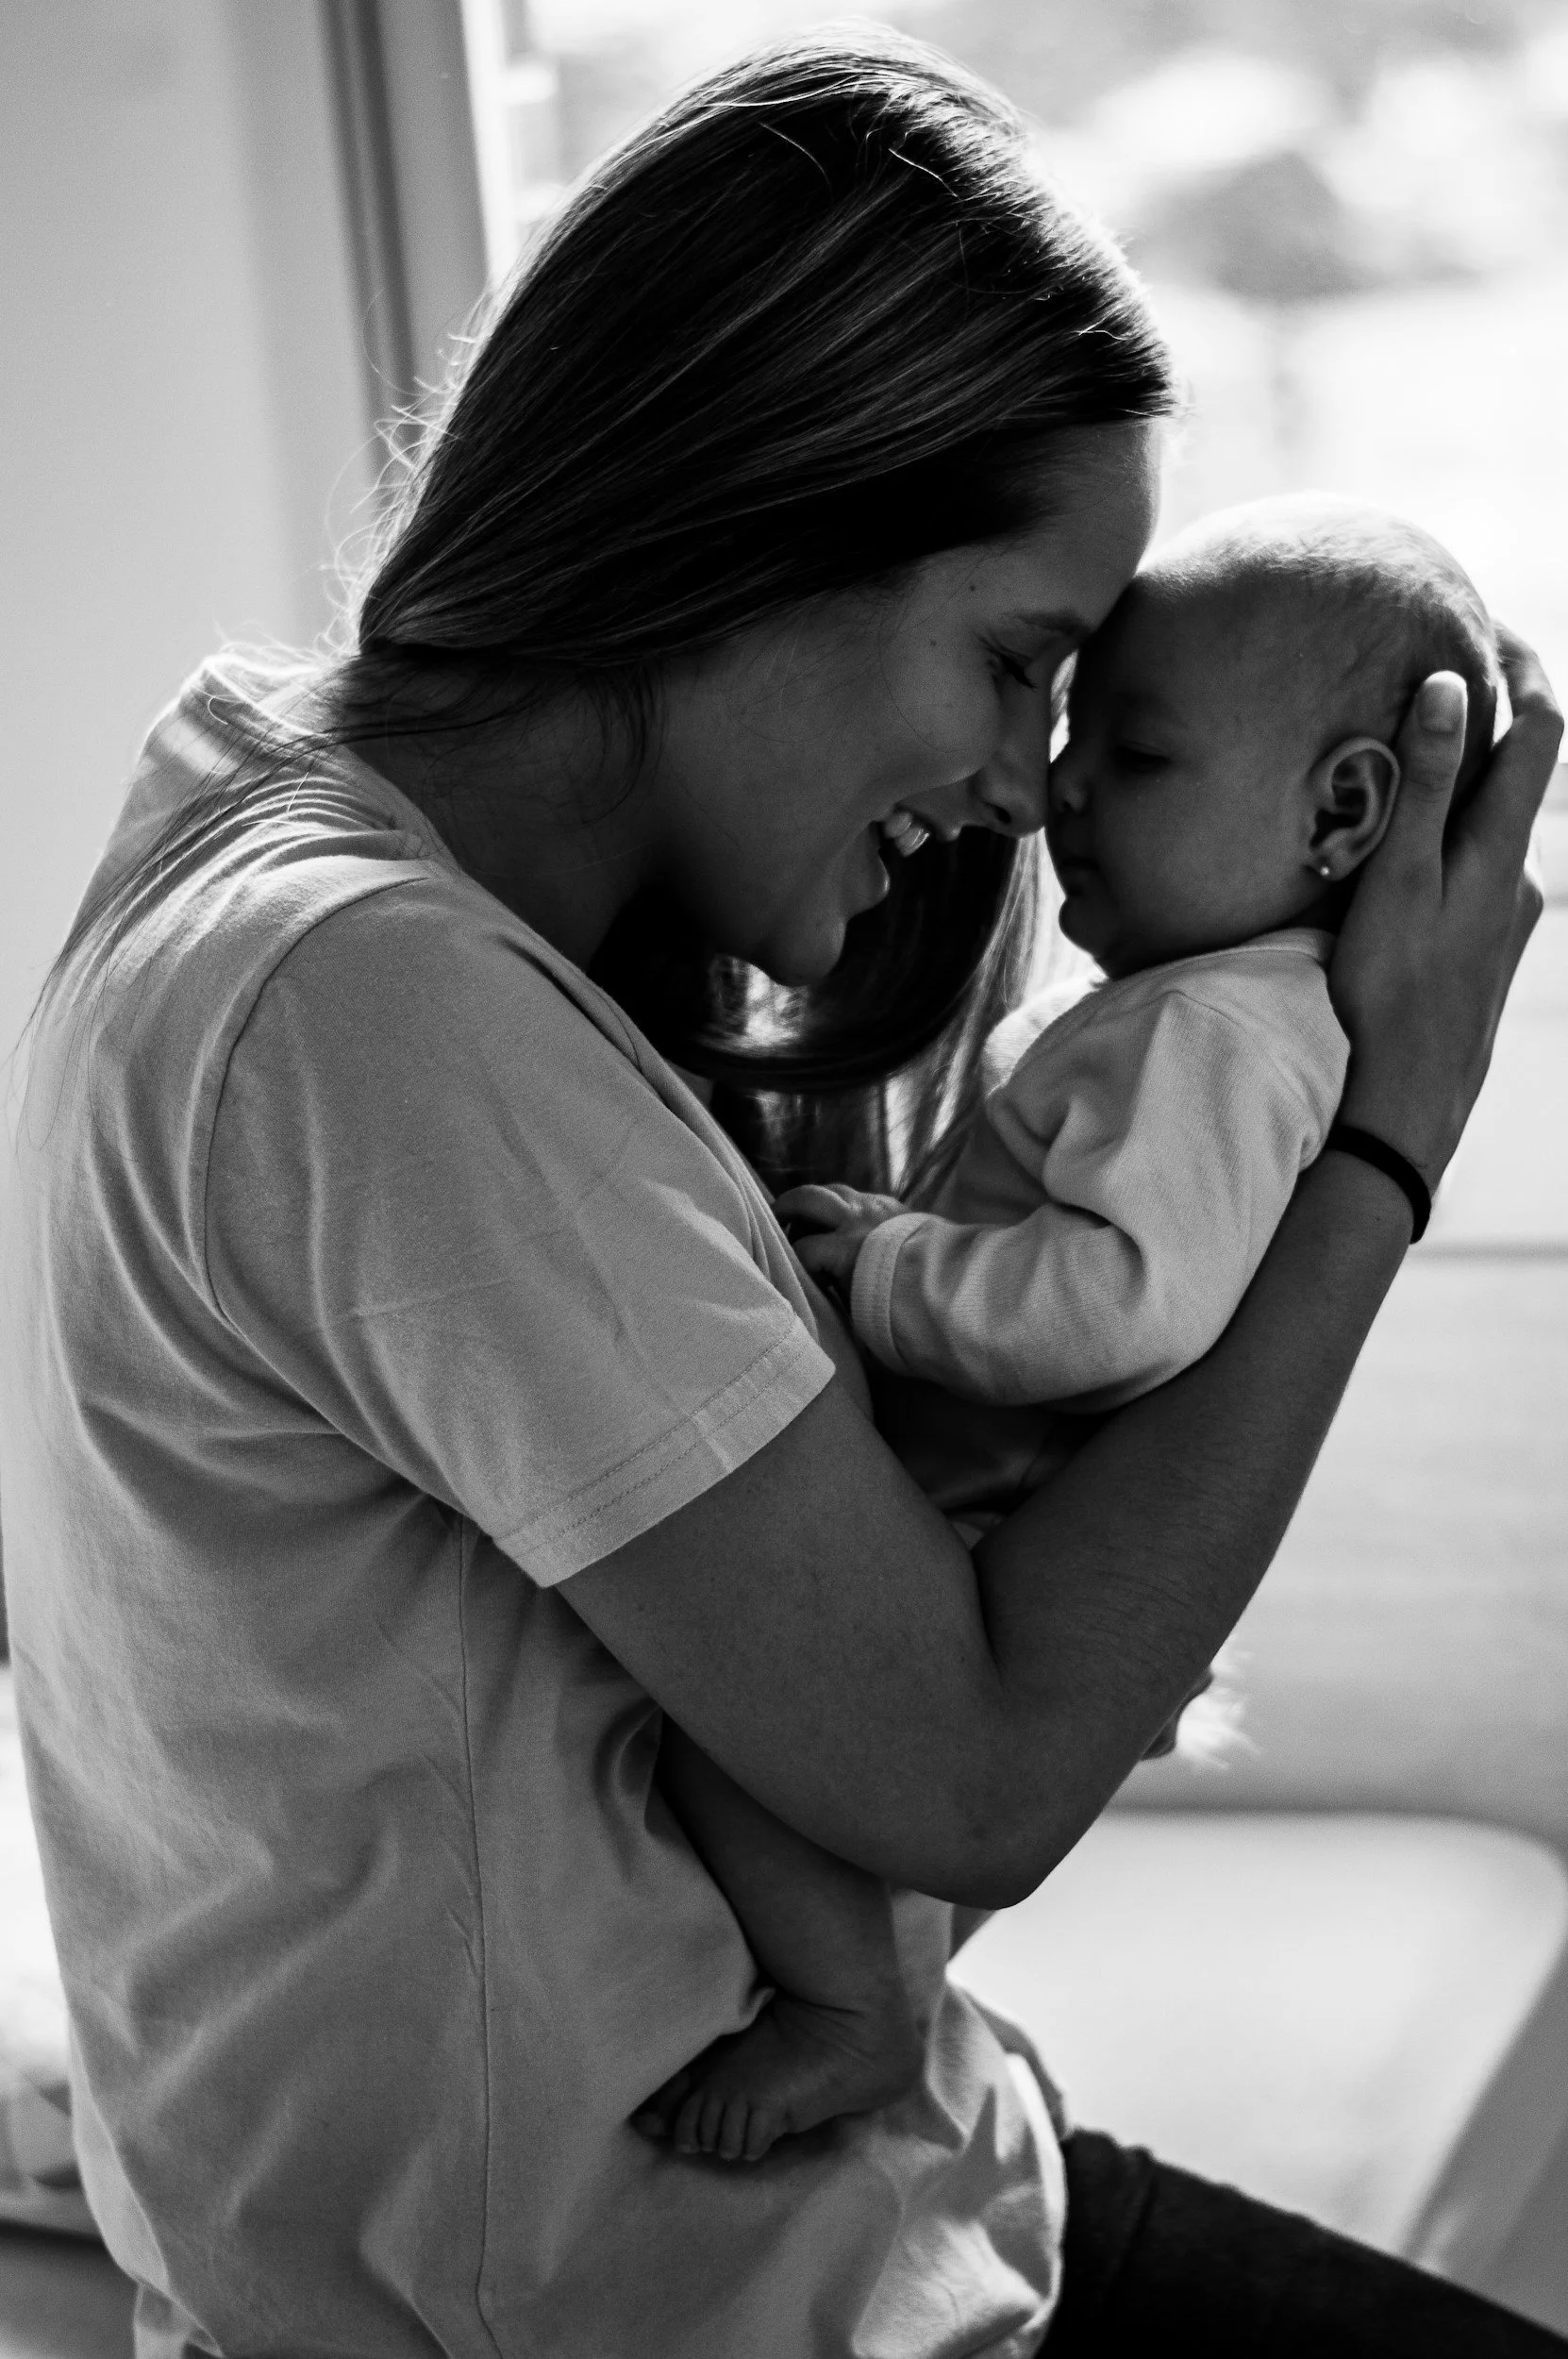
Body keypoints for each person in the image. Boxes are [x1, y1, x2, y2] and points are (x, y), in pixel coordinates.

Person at [0, 34, 1560, 2359]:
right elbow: (970, 1774)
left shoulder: (262, 812)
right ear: (767, 519)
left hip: (903, 2204)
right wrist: (1386, 1141)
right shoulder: (377, 1014)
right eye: (1021, 662)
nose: (1032, 795)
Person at [630, 493, 1506, 2169]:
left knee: (739, 1730)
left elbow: (1121, 1309)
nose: (1060, 789)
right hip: (1004, 1500)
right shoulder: (1208, 1015)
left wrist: (884, 1268)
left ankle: (855, 2016)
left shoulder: (1229, 1039)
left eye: (1141, 752)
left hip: (1000, 1499)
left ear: (1343, 809)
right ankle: (880, 1992)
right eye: (1070, 727)